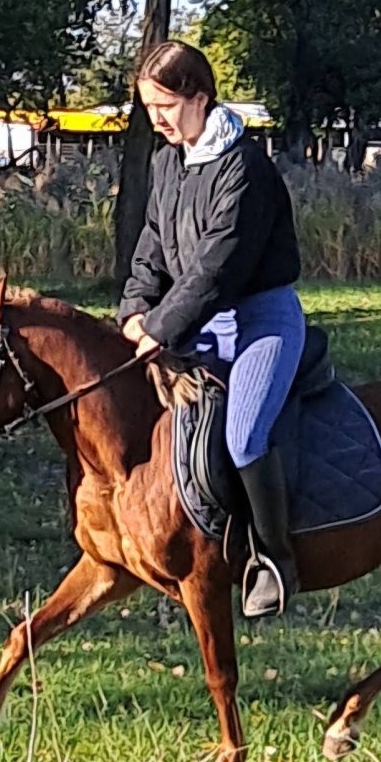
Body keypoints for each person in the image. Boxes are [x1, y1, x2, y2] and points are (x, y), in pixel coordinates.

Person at [117, 40, 305, 617]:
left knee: (244, 434)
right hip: (192, 315)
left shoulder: (245, 167)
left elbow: (217, 268)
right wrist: (132, 309)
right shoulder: (168, 160)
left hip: (260, 318)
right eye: (149, 108)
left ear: (199, 97)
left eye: (166, 107)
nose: (158, 120)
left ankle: (274, 561)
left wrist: (162, 327)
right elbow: (153, 243)